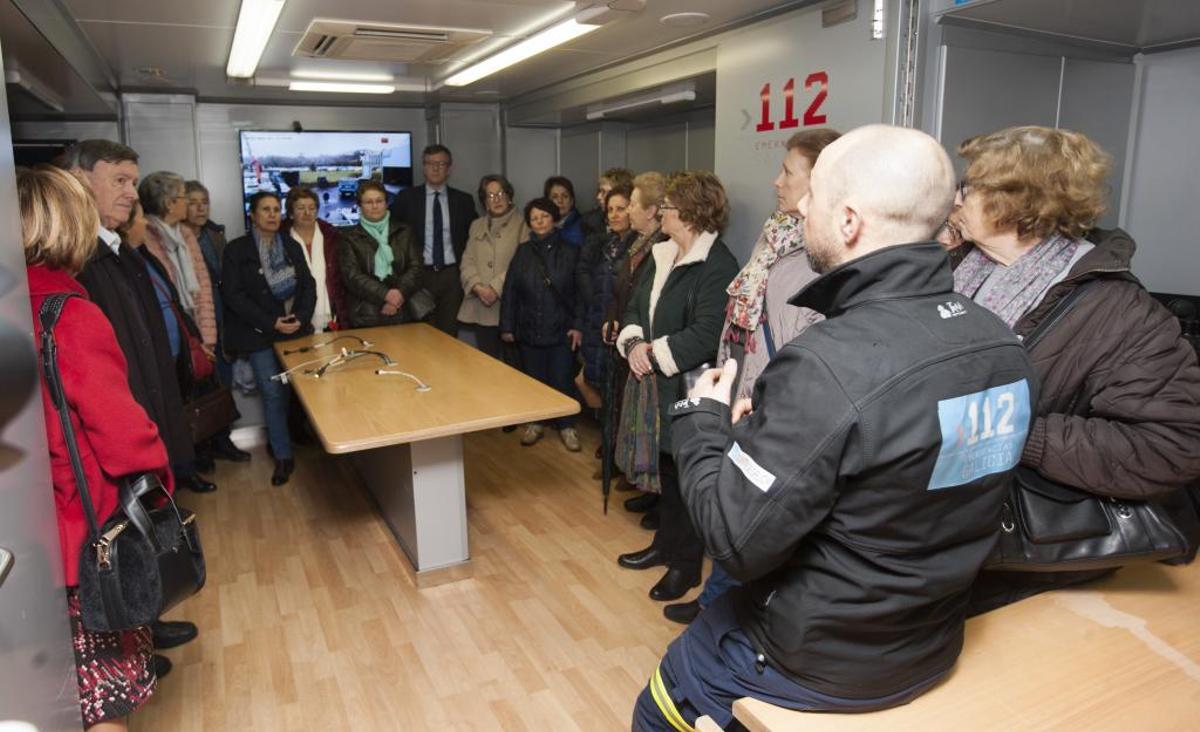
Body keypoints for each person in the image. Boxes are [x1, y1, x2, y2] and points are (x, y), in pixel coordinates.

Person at [631, 125, 1039, 731]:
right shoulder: (998, 338)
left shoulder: (828, 363)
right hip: (927, 641)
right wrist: (775, 439)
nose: (798, 206)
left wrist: (704, 421)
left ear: (848, 222)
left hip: (813, 660)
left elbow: (733, 540)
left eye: (813, 195)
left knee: (657, 711)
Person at [943, 125, 1200, 614]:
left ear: (1019, 202)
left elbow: (1174, 446)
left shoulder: (1119, 310)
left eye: (972, 186)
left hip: (1033, 547)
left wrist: (1018, 432)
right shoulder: (957, 269)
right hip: (953, 529)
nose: (958, 196)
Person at [662, 129, 840, 626]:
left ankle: (722, 609)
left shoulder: (817, 252)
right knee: (735, 498)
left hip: (771, 395)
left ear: (819, 180)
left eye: (787, 170)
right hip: (744, 383)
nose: (775, 179)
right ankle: (717, 602)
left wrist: (765, 398)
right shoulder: (777, 232)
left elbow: (800, 336)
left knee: (750, 508)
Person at [20, 165, 169, 730]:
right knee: (103, 703)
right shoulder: (71, 317)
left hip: (21, 555)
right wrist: (161, 494)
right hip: (84, 548)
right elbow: (126, 441)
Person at [58, 139, 201, 662]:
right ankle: (133, 641)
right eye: (118, 179)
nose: (130, 192)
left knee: (143, 533)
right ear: (78, 180)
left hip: (144, 410)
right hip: (114, 428)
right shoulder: (80, 261)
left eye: (131, 181)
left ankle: (146, 623)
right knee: (122, 539)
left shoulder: (116, 250)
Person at [614, 171, 740, 603]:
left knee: (689, 480)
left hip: (688, 385)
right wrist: (631, 343)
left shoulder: (717, 264)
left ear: (687, 212)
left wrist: (650, 354)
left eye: (667, 206)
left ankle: (685, 567)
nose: (661, 211)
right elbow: (635, 307)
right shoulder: (661, 254)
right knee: (668, 472)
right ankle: (664, 546)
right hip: (657, 384)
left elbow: (706, 333)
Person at [221, 191, 317, 486]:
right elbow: (234, 296)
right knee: (273, 394)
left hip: (295, 332)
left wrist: (299, 317)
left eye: (276, 209)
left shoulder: (290, 245)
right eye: (266, 209)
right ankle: (283, 456)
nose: (273, 215)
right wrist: (271, 322)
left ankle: (282, 441)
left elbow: (308, 286)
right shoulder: (237, 250)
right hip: (260, 335)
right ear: (253, 215)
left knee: (298, 393)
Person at [499, 198, 584, 452]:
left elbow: (580, 293)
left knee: (561, 380)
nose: (540, 222)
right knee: (534, 381)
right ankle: (536, 422)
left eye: (544, 216)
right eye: (534, 218)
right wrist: (507, 326)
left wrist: (578, 325)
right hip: (529, 328)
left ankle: (567, 426)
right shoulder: (523, 252)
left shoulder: (571, 251)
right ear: (529, 223)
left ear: (554, 219)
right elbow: (511, 290)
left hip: (561, 330)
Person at [610, 172, 669, 518]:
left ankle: (660, 498)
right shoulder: (636, 245)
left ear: (651, 211)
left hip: (651, 349)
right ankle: (647, 487)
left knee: (656, 425)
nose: (627, 210)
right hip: (631, 338)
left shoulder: (661, 248)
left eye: (632, 203)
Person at [182, 180, 251, 464]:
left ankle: (224, 441)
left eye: (204, 202)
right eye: (193, 202)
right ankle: (200, 449)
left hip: (222, 324)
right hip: (194, 326)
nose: (200, 208)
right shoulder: (175, 239)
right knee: (196, 391)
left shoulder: (215, 235)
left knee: (221, 385)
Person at [388, 144, 478, 335]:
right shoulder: (406, 198)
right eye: (430, 163)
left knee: (449, 334)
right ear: (423, 167)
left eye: (441, 163)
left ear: (449, 168)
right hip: (418, 275)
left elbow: (475, 238)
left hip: (452, 277)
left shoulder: (463, 201)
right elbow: (392, 235)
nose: (435, 168)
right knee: (420, 334)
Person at [459, 174, 529, 360]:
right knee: (486, 363)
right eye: (490, 196)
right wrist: (478, 287)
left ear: (509, 195)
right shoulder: (476, 225)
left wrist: (495, 288)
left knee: (513, 367)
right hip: (482, 306)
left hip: (510, 307)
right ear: (484, 202)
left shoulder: (524, 224)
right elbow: (467, 260)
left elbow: (522, 263)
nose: (496, 199)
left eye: (500, 193)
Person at [576, 185, 636, 396]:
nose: (614, 215)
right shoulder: (605, 246)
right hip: (599, 330)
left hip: (622, 333)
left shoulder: (638, 249)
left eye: (620, 209)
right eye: (610, 209)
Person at [338, 181, 421, 328]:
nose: (375, 206)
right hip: (366, 314)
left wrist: (398, 295)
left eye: (379, 201)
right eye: (368, 202)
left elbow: (416, 267)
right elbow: (352, 276)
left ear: (386, 203)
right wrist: (386, 295)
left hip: (404, 311)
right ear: (359, 205)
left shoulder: (404, 231)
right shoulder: (348, 237)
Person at [283, 186, 348, 331]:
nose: (307, 212)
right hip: (293, 315)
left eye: (312, 207)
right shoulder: (280, 241)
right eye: (300, 208)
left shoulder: (333, 237)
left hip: (329, 314)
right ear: (291, 213)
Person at [582, 167, 634, 238]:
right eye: (599, 191)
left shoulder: (637, 226)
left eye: (603, 192)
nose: (599, 196)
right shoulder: (590, 221)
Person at [544, 175, 585, 248]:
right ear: (547, 201)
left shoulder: (582, 227)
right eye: (555, 197)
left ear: (572, 201)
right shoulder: (540, 225)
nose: (560, 201)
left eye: (565, 196)